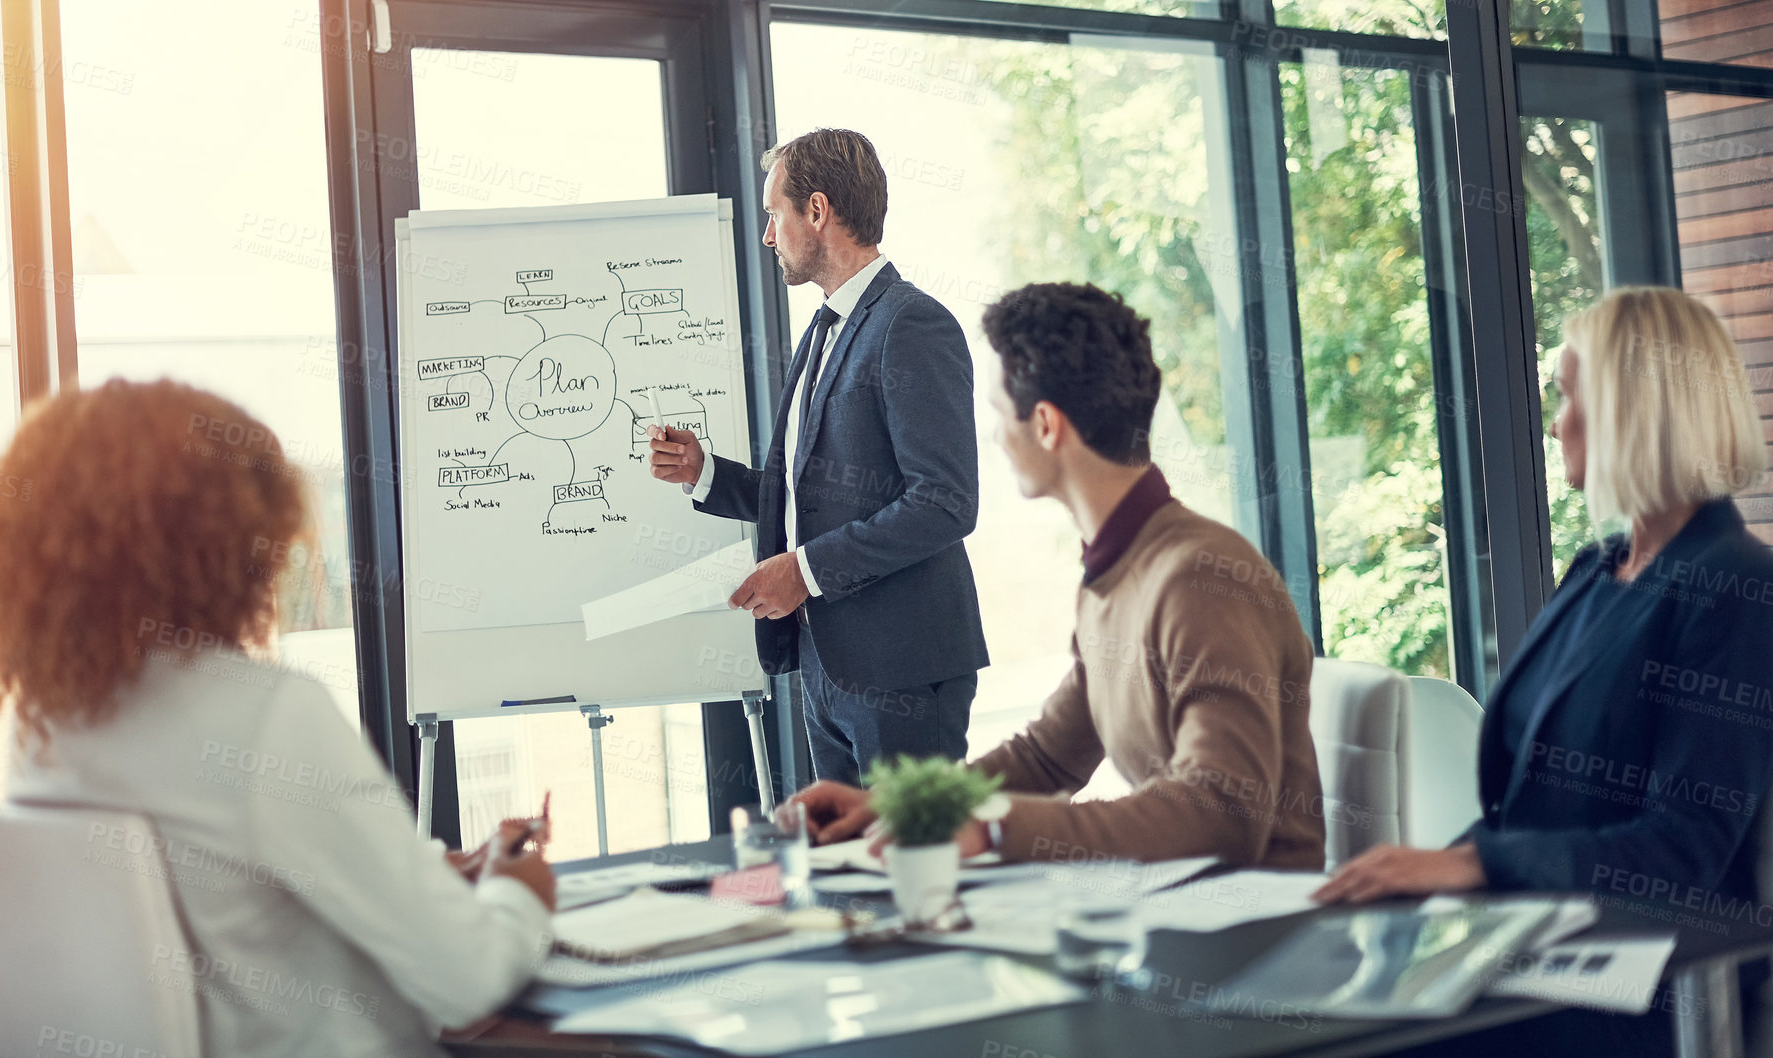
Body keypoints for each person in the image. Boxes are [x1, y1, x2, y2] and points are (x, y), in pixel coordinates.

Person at [0, 379, 555, 1058]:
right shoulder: (267, 713)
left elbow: (221, 892)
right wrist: (519, 891)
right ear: (230, 543)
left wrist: (418, 871)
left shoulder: (41, 722)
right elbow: (469, 977)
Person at [1315, 287, 1773, 1057]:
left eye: (1568, 396)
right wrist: (1420, 877)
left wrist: (1472, 864)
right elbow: (1526, 807)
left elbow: (1683, 849)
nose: (1555, 424)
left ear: (1634, 409)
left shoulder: (1739, 587)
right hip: (1534, 938)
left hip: (1646, 980)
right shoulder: (1596, 572)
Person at [793, 282, 1325, 868]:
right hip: (1181, 920)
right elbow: (1049, 757)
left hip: (1260, 936)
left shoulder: (1199, 579)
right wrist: (904, 805)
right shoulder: (1118, 571)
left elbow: (1221, 812)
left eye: (998, 414)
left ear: (1046, 425)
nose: (993, 436)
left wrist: (995, 832)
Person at [647, 127, 988, 785]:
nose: (769, 236)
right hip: (827, 668)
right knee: (846, 875)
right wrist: (703, 474)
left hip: (904, 672)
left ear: (818, 210)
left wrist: (803, 571)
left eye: (775, 213)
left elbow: (945, 502)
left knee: (911, 877)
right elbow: (814, 492)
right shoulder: (823, 330)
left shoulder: (911, 325)